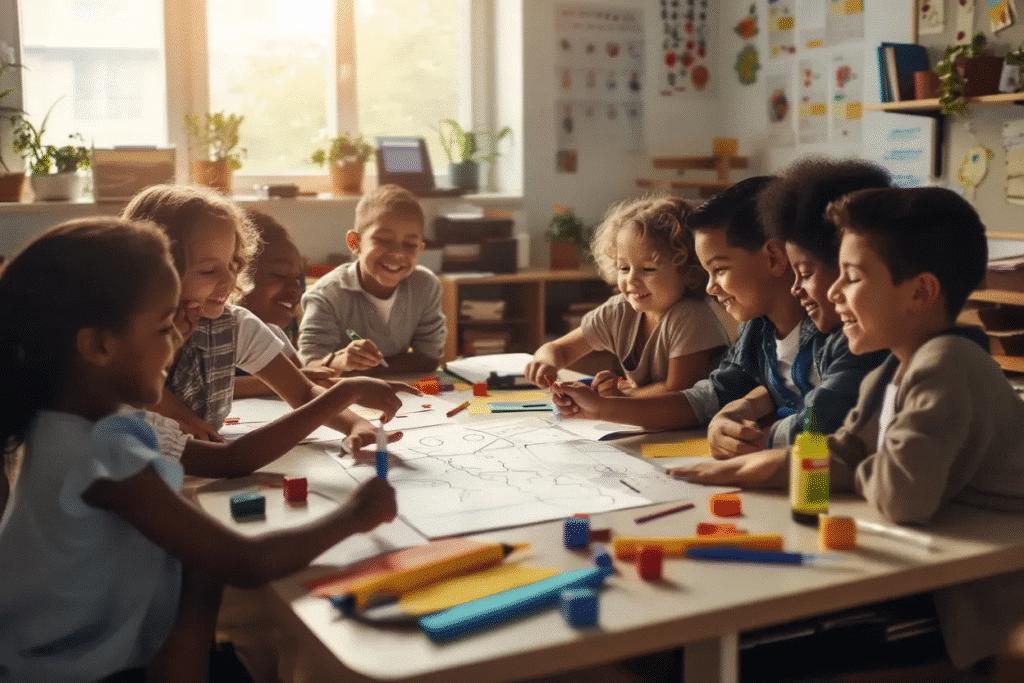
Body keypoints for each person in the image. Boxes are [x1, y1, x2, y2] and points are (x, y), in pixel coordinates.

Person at [0, 218, 399, 682]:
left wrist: (340, 394)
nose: (176, 342)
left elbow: (231, 460)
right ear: (98, 345)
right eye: (164, 326)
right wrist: (354, 517)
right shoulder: (100, 450)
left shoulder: (81, 424)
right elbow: (244, 563)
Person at [682, 187, 1024, 676]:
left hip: (981, 612)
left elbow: (903, 496)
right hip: (933, 574)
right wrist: (765, 467)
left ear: (920, 292)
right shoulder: (892, 368)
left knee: (757, 658)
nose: (834, 292)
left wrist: (837, 464)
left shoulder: (945, 366)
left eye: (853, 276)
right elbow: (841, 451)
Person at [123, 184, 398, 455]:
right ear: (155, 271)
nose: (230, 280)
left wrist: (356, 424)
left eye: (233, 264)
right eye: (208, 270)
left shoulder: (234, 327)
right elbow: (133, 395)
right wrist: (188, 421)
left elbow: (302, 393)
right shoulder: (119, 336)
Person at [670, 157, 890, 482]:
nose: (797, 288)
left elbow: (894, 486)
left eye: (804, 271)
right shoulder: (763, 327)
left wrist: (752, 453)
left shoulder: (877, 345)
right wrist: (740, 410)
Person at [525, 194, 729, 397]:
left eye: (648, 269)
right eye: (623, 267)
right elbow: (560, 350)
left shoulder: (690, 317)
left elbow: (676, 393)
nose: (631, 279)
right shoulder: (619, 311)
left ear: (690, 273)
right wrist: (546, 363)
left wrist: (619, 397)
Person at [298, 184, 446, 375]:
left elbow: (429, 358)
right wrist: (340, 361)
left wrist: (367, 372)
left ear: (420, 249)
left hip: (401, 395)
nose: (397, 254)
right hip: (346, 397)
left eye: (410, 244)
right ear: (355, 243)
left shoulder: (425, 286)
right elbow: (310, 366)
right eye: (383, 240)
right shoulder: (327, 295)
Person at [235, 210, 337, 399]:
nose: (297, 290)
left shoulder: (274, 335)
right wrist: (289, 380)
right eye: (279, 274)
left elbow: (307, 382)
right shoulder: (209, 333)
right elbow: (208, 389)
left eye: (298, 278)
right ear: (235, 273)